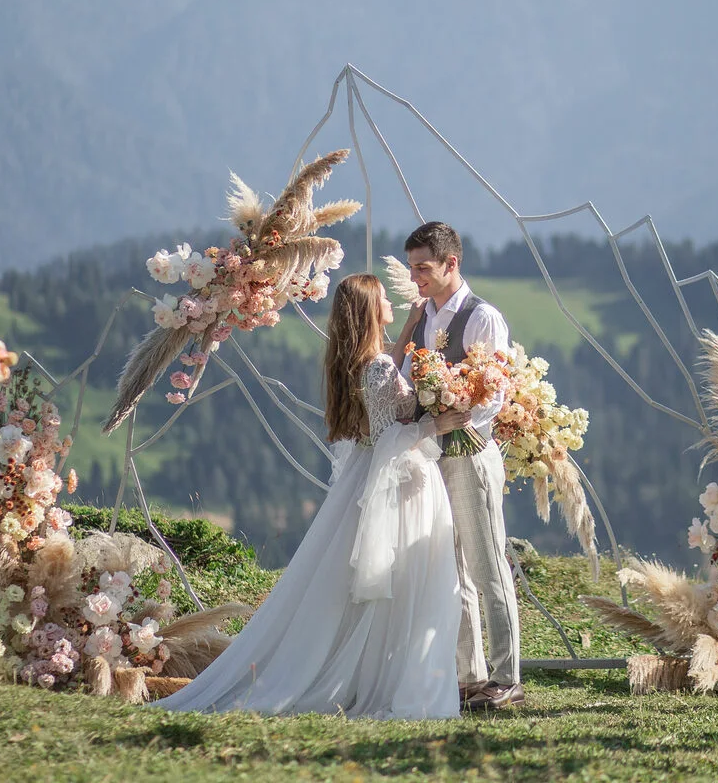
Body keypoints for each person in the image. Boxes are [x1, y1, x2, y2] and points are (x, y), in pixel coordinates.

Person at [157, 274, 463, 719]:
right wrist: (440, 423)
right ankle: (386, 680)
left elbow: (382, 391)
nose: (393, 304)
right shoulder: (376, 366)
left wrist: (410, 334)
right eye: (384, 299)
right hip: (398, 481)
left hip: (368, 478)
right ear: (370, 309)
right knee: (406, 582)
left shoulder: (358, 362)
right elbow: (388, 437)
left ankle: (366, 671)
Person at [390, 222, 522, 711]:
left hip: (472, 454)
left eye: (423, 267)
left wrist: (457, 412)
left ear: (452, 264)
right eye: (412, 268)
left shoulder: (483, 316)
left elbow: (497, 391)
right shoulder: (421, 316)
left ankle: (508, 677)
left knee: (488, 565)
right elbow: (405, 383)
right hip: (432, 458)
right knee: (453, 568)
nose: (415, 276)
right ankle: (470, 675)